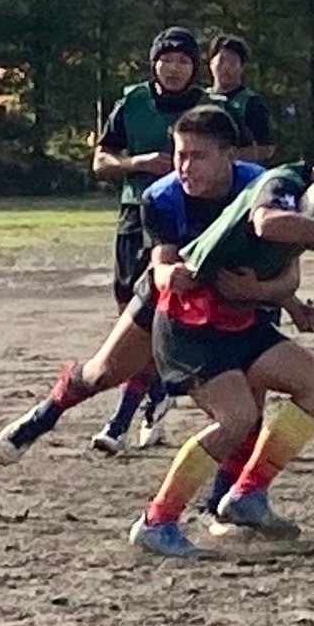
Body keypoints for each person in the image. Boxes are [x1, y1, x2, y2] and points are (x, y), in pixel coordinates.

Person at [0, 106, 314, 466]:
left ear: (230, 155)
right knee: (101, 373)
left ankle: (231, 496)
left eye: (198, 156)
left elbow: (284, 270)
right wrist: (172, 276)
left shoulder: (262, 188)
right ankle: (44, 415)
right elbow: (162, 266)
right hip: (172, 304)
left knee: (244, 417)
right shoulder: (162, 196)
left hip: (235, 308)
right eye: (180, 155)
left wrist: (278, 298)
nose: (185, 166)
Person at [130, 111, 314, 558]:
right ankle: (157, 521)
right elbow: (266, 223)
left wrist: (290, 299)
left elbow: (279, 258)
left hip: (236, 317)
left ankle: (247, 495)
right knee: (236, 419)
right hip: (191, 319)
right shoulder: (285, 181)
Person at [91, 27, 209, 451]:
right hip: (135, 214)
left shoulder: (209, 109)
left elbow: (238, 156)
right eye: (167, 60)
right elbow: (101, 161)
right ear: (154, 63)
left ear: (194, 67)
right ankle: (157, 395)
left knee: (158, 316)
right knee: (131, 314)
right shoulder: (132, 104)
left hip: (185, 218)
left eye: (183, 61)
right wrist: (138, 162)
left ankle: (119, 422)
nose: (174, 68)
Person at [208, 34, 275, 165]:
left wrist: (229, 156)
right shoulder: (200, 98)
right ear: (211, 64)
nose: (226, 67)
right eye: (221, 60)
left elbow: (267, 149)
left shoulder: (252, 103)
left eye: (233, 62)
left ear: (242, 67)